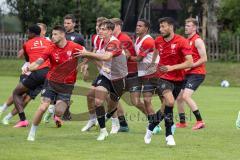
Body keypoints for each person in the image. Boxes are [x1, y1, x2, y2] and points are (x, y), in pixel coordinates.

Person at [27, 25, 84, 141]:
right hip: (51, 82)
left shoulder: (74, 47)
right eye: (52, 34)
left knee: (59, 111)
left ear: (63, 35)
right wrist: (28, 68)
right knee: (43, 107)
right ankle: (32, 132)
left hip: (67, 85)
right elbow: (38, 62)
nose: (52, 37)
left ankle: (54, 111)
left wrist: (85, 65)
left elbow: (87, 54)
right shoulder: (50, 48)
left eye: (55, 34)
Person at [144, 17, 193, 146]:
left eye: (163, 26)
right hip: (163, 77)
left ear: (171, 27)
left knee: (165, 107)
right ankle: (169, 135)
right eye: (160, 27)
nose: (161, 29)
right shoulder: (158, 40)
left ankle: (151, 127)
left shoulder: (181, 41)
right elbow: (155, 50)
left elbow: (190, 62)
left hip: (179, 79)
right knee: (170, 102)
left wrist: (172, 67)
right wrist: (153, 64)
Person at [76, 20, 128, 141]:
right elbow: (97, 56)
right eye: (99, 28)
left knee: (111, 106)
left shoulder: (114, 42)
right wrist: (102, 67)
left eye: (103, 29)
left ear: (110, 31)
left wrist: (87, 53)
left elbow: (106, 56)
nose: (100, 31)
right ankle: (102, 130)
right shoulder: (99, 40)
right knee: (97, 101)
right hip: (105, 76)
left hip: (119, 78)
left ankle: (114, 121)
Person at [0, 23, 52, 125]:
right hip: (48, 74)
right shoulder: (49, 43)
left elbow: (28, 60)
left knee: (18, 93)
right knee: (27, 96)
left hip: (35, 72)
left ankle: (22, 119)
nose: (27, 34)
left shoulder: (27, 44)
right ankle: (5, 109)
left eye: (28, 32)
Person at [176, 18, 207, 130]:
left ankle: (200, 121)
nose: (186, 27)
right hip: (187, 73)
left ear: (194, 27)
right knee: (179, 97)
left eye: (189, 25)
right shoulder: (186, 40)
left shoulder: (197, 40)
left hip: (197, 73)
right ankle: (182, 122)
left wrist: (191, 65)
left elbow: (204, 58)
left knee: (185, 96)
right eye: (186, 25)